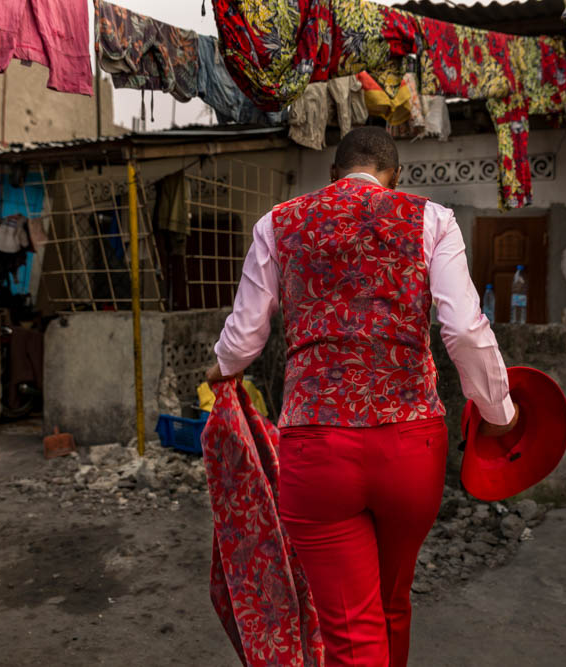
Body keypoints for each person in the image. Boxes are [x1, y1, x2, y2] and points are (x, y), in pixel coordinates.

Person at [207, 126, 518, 667]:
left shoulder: (278, 224)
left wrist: (222, 368)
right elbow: (465, 331)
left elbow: (246, 333)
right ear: (395, 178)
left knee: (352, 630)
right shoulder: (430, 218)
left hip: (317, 448)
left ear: (332, 175)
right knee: (394, 603)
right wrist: (499, 412)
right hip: (412, 448)